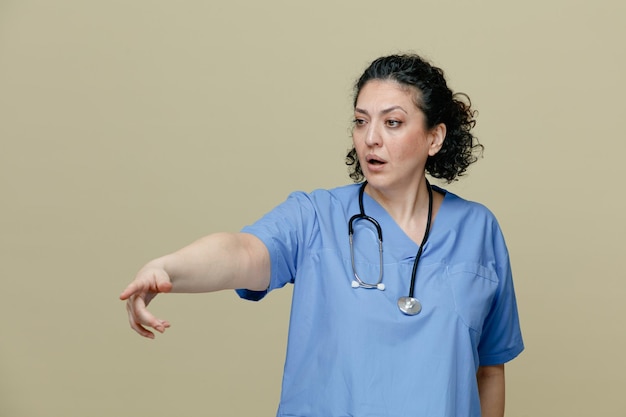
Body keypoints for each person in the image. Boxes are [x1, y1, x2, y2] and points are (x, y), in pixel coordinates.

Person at [120, 53, 524, 417]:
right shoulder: (315, 216)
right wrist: (167, 267)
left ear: (434, 137)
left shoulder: (478, 230)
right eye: (361, 121)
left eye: (393, 122)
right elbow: (242, 252)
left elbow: (489, 368)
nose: (371, 138)